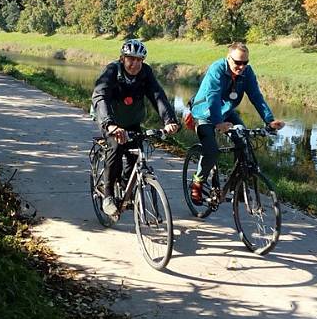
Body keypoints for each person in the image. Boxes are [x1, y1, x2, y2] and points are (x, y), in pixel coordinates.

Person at [92, 39, 180, 217]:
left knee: (135, 156)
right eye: (131, 59)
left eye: (140, 60)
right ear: (123, 58)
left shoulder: (145, 73)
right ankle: (108, 195)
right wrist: (109, 124)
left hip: (132, 122)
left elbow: (158, 96)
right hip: (112, 121)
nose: (135, 64)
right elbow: (100, 96)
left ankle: (127, 189)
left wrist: (169, 120)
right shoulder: (112, 71)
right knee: (116, 148)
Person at [188, 41, 284, 204]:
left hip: (226, 112)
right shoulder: (217, 69)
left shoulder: (247, 73)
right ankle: (197, 182)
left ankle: (237, 184)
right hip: (204, 112)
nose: (241, 66)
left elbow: (256, 97)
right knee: (211, 150)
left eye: (245, 63)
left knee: (242, 138)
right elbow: (213, 97)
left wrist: (270, 120)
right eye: (237, 62)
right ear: (228, 58)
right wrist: (218, 123)